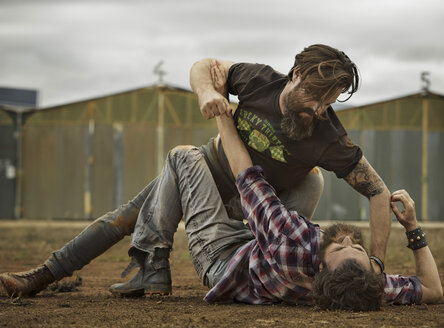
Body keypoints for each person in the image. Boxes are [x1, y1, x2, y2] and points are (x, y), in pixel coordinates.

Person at [0, 44, 391, 297]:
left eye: (329, 102)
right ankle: (42, 276)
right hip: (206, 172)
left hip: (255, 209)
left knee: (312, 180)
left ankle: (152, 268)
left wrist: (375, 268)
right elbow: (206, 65)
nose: (318, 109)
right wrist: (207, 93)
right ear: (295, 75)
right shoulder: (258, 80)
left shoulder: (328, 135)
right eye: (313, 96)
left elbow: (378, 192)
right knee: (123, 218)